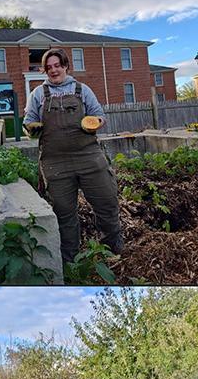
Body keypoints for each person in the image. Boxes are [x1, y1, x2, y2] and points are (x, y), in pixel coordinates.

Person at [23, 48, 123, 263]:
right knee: (64, 215)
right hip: (55, 163)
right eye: (48, 67)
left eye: (57, 65)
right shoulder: (38, 94)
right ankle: (71, 262)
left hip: (89, 157)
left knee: (107, 204)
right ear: (44, 70)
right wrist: (30, 128)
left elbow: (99, 115)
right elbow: (27, 120)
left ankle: (112, 252)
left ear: (66, 66)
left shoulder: (82, 89)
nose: (53, 70)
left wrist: (95, 123)